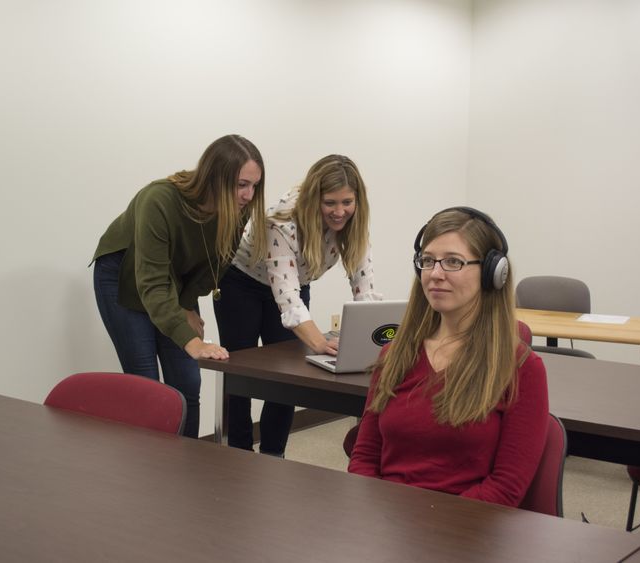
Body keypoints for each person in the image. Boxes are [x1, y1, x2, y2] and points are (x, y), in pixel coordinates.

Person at [348, 207, 549, 507]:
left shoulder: (522, 368)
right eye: (427, 261)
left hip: (465, 530)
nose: (435, 274)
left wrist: (429, 525)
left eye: (453, 262)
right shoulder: (394, 356)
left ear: (493, 273)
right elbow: (364, 458)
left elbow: (506, 488)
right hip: (386, 524)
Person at [91, 134, 267, 439]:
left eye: (255, 185)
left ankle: (186, 466)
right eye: (241, 184)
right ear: (214, 177)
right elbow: (153, 283)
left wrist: (185, 306)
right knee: (146, 384)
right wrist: (194, 343)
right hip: (124, 275)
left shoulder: (239, 208)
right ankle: (148, 472)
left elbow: (216, 264)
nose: (249, 195)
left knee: (187, 383)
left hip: (174, 283)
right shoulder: (158, 199)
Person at [213, 154, 380, 456]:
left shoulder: (355, 223)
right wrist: (321, 342)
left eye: (347, 202)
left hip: (295, 281)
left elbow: (365, 288)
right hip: (242, 283)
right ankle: (237, 454)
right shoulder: (281, 221)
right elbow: (288, 297)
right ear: (314, 198)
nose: (339, 211)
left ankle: (274, 454)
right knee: (240, 372)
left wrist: (371, 337)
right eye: (330, 203)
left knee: (288, 373)